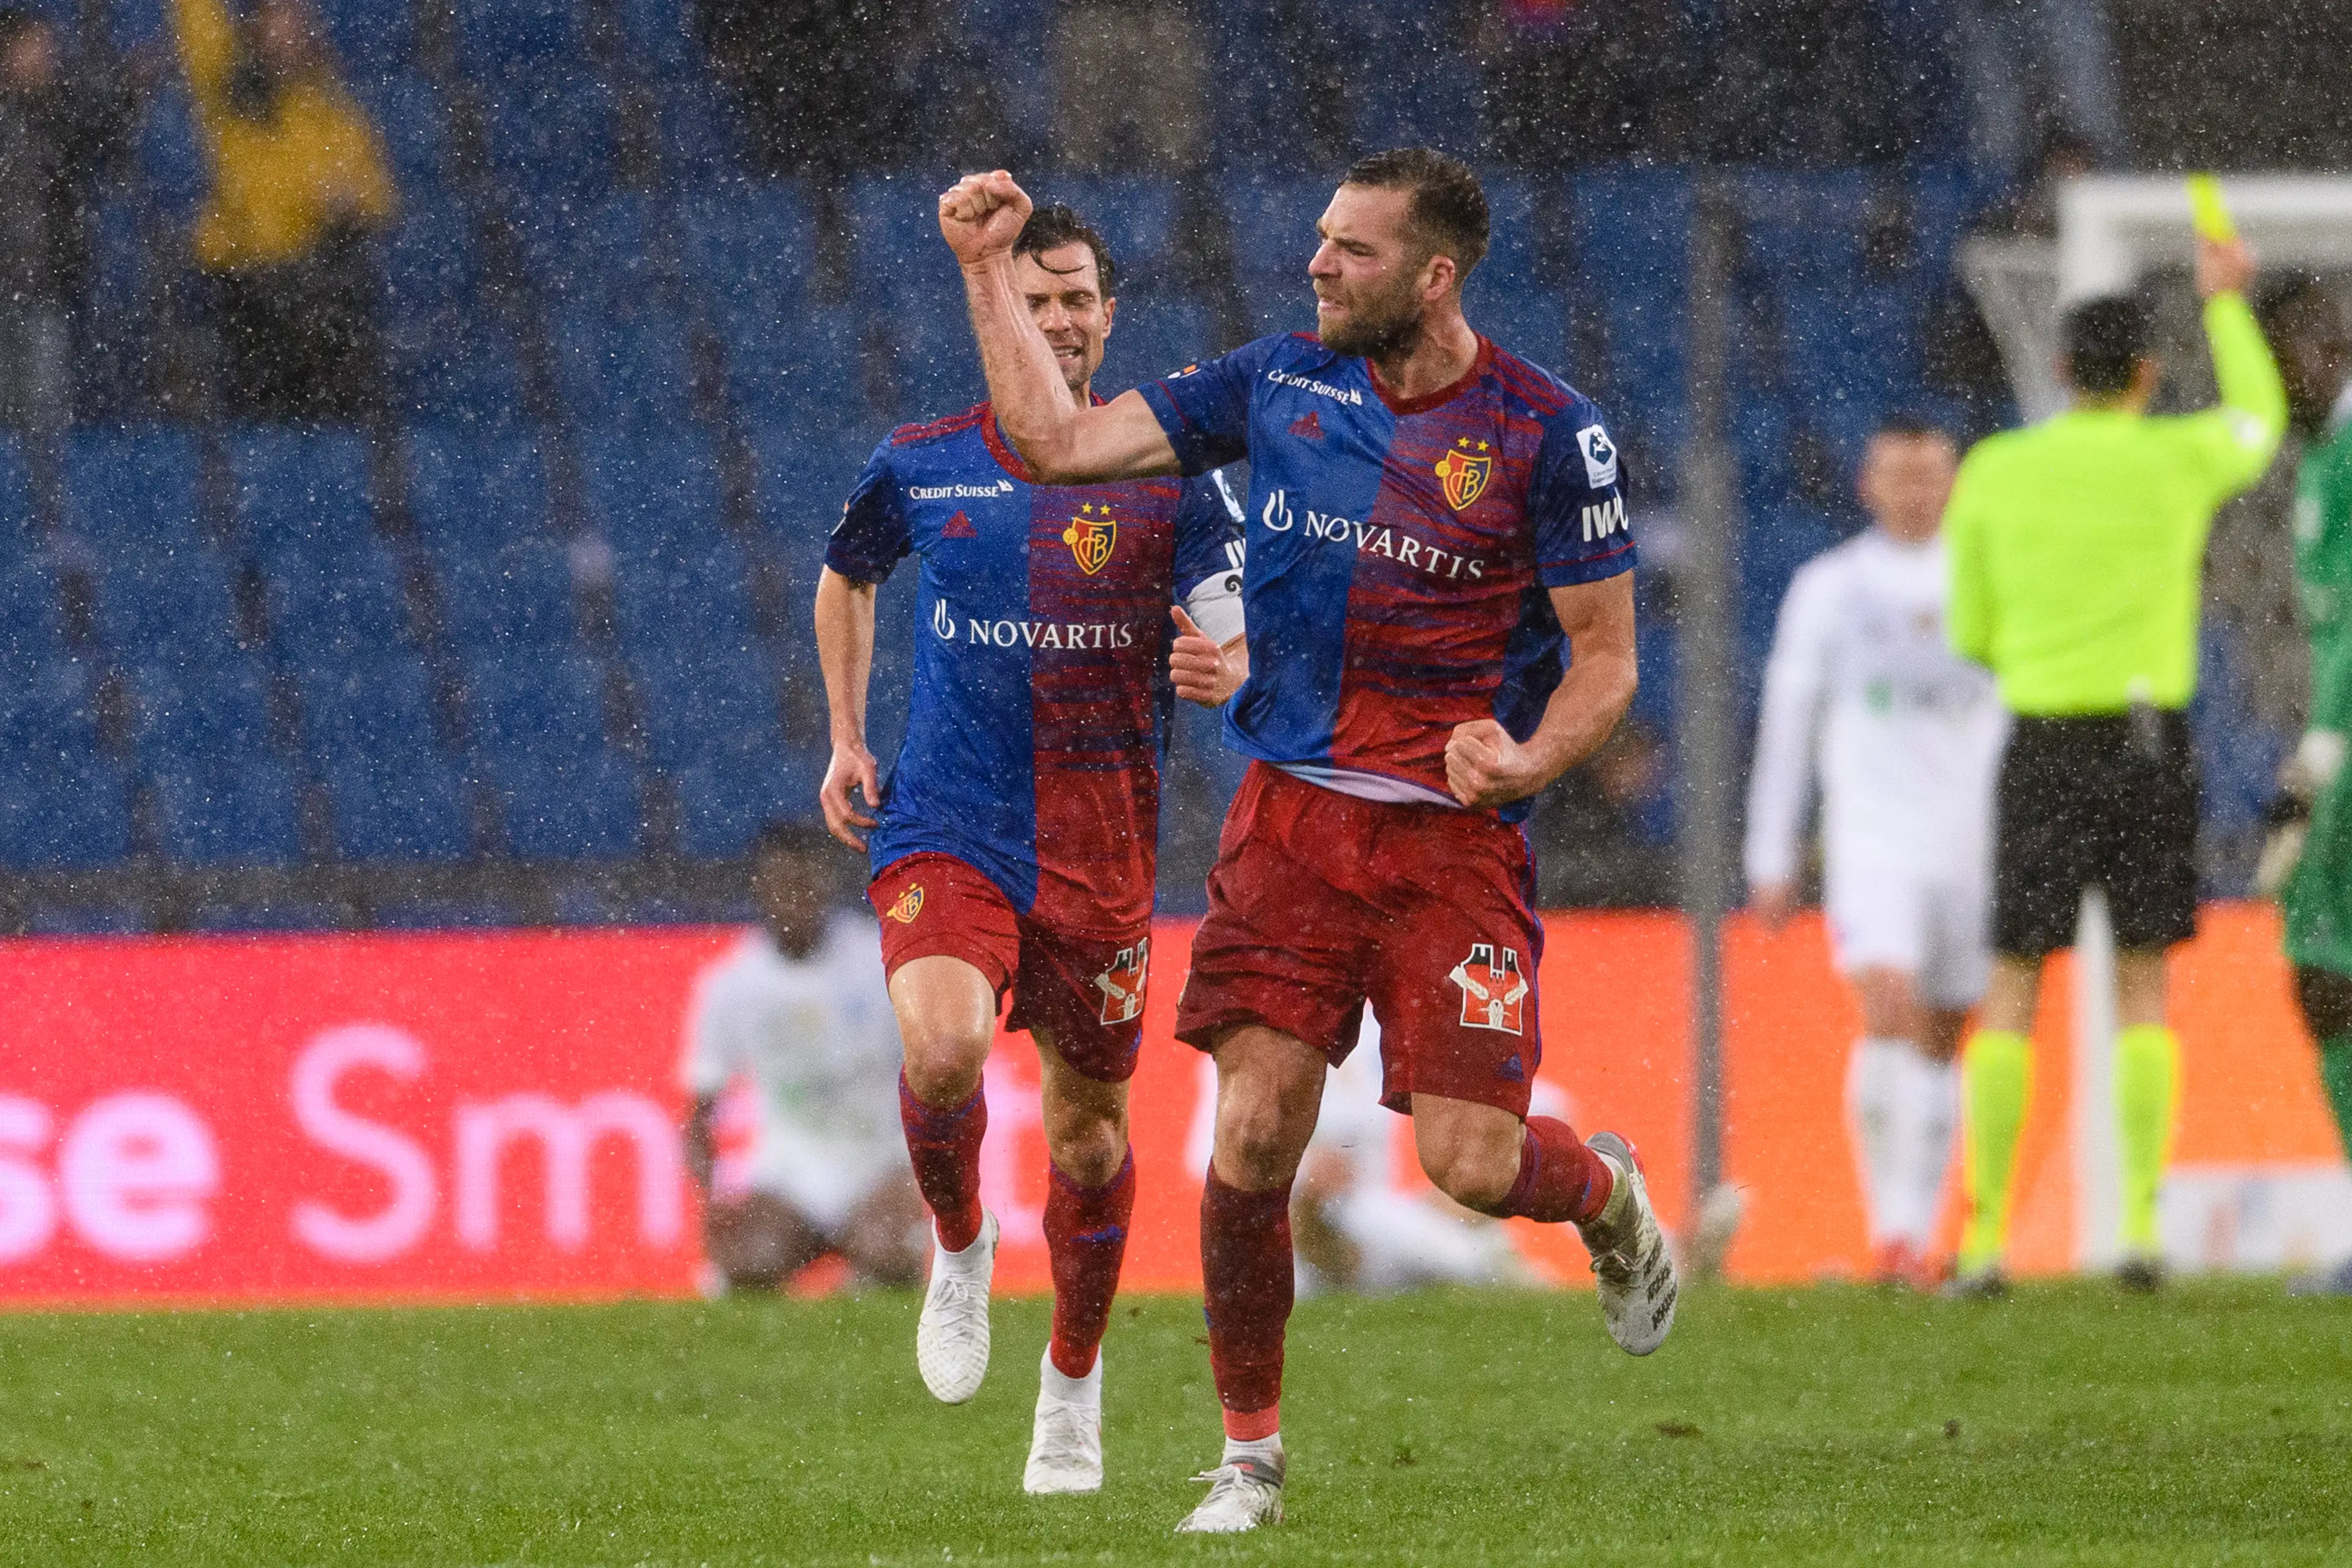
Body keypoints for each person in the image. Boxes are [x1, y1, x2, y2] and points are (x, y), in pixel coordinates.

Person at [938, 147, 1676, 1536]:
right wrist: (984, 269)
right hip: (1289, 819)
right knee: (1255, 1126)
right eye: (1320, 237)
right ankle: (1249, 1458)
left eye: (1351, 248)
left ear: (1432, 275)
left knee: (1467, 1163)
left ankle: (1606, 1194)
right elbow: (1059, 445)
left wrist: (1525, 756)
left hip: (1450, 842)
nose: (1316, 264)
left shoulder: (1543, 432)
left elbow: (1608, 660)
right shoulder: (1276, 381)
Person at [815, 203, 1245, 1496]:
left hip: (1101, 851)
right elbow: (847, 574)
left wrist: (1228, 659)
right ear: (992, 309)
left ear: (1109, 318)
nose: (1055, 321)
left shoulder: (1173, 471)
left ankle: (1071, 1387)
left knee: (1094, 1141)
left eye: (1075, 303)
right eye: (1031, 298)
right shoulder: (926, 458)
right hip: (951, 820)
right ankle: (958, 1240)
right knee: (942, 1045)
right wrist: (844, 735)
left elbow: (1239, 621)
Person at [1940, 235, 2286, 1295]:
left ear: (2056, 370)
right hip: (2147, 744)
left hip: (2043, 740)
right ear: (2147, 373)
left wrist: (2045, 653)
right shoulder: (2177, 456)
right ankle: (2137, 1230)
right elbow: (2263, 424)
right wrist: (2229, 305)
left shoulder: (1998, 469)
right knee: (2142, 982)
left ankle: (1987, 1238)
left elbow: (1971, 634)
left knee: (2011, 985)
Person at [1745, 419, 2005, 1291]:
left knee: (1944, 1030)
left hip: (1973, 838)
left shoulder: (1990, 573)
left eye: (1932, 475)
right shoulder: (1831, 588)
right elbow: (1790, 720)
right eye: (1901, 475)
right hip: (1873, 837)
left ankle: (1919, 1237)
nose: (1917, 491)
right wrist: (1771, 846)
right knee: (1887, 1001)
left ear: (1955, 481)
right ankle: (1890, 1232)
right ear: (1868, 483)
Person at [680, 821, 925, 1294]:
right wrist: (710, 1207)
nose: (795, 896)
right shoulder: (732, 982)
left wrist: (921, 1178)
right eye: (782, 884)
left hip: (875, 1161)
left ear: (828, 883)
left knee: (893, 1251)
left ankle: (872, 1271)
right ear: (760, 890)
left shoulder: (881, 959)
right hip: (787, 1171)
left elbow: (932, 1074)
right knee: (747, 1262)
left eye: (806, 882)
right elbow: (699, 1113)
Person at [2251, 276, 2352, 1296]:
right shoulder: (2323, 457)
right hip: (2341, 752)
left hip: (2348, 753)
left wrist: (2321, 750)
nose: (2273, 380)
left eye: (2280, 353)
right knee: (2326, 980)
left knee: (2327, 975)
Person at [173, 0, 394, 422]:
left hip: (317, 284)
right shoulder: (229, 97)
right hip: (247, 284)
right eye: (275, 27)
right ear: (253, 36)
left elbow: (378, 196)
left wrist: (352, 204)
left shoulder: (335, 112)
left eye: (295, 27)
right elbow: (197, 22)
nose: (286, 39)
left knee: (330, 406)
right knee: (265, 418)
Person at [1286, 1013, 1536, 1295]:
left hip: (1374, 1213)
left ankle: (1493, 1261)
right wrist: (1309, 1182)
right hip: (1297, 1223)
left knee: (1455, 1255)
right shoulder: (1251, 1041)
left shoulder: (1377, 1025)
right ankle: (1491, 1262)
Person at [0, 10, 129, 449]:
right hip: (23, 285)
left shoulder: (60, 110)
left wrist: (128, 90)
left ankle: (41, 511)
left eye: (48, 46)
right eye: (34, 46)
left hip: (45, 288)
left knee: (44, 420)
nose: (46, 56)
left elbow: (107, 134)